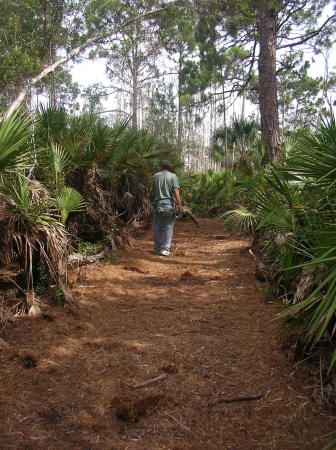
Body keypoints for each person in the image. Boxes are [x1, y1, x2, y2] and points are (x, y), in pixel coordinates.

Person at [153, 160, 183, 256]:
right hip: (168, 205)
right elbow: (175, 190)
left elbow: (154, 190)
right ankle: (165, 249)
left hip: (157, 204)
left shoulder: (155, 176)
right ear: (168, 167)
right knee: (168, 227)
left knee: (157, 227)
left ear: (161, 166)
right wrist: (180, 205)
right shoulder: (173, 176)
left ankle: (157, 248)